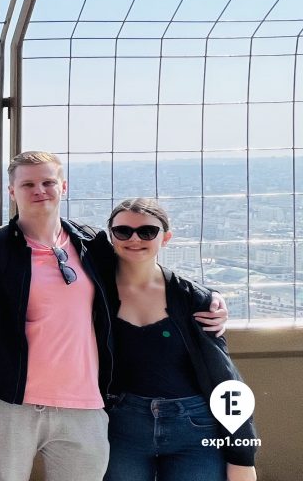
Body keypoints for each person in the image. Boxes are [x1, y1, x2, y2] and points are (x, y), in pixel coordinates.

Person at [0, 151, 228, 481]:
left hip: (84, 405)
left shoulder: (91, 244)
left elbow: (140, 268)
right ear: (11, 191)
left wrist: (208, 298)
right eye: (27, 183)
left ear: (64, 187)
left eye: (48, 182)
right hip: (13, 406)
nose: (39, 190)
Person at [103, 198, 257, 481]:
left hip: (195, 428)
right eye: (123, 231)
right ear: (110, 236)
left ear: (166, 238)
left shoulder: (193, 299)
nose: (134, 238)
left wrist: (242, 455)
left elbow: (223, 377)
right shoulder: (95, 292)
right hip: (121, 428)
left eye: (147, 231)